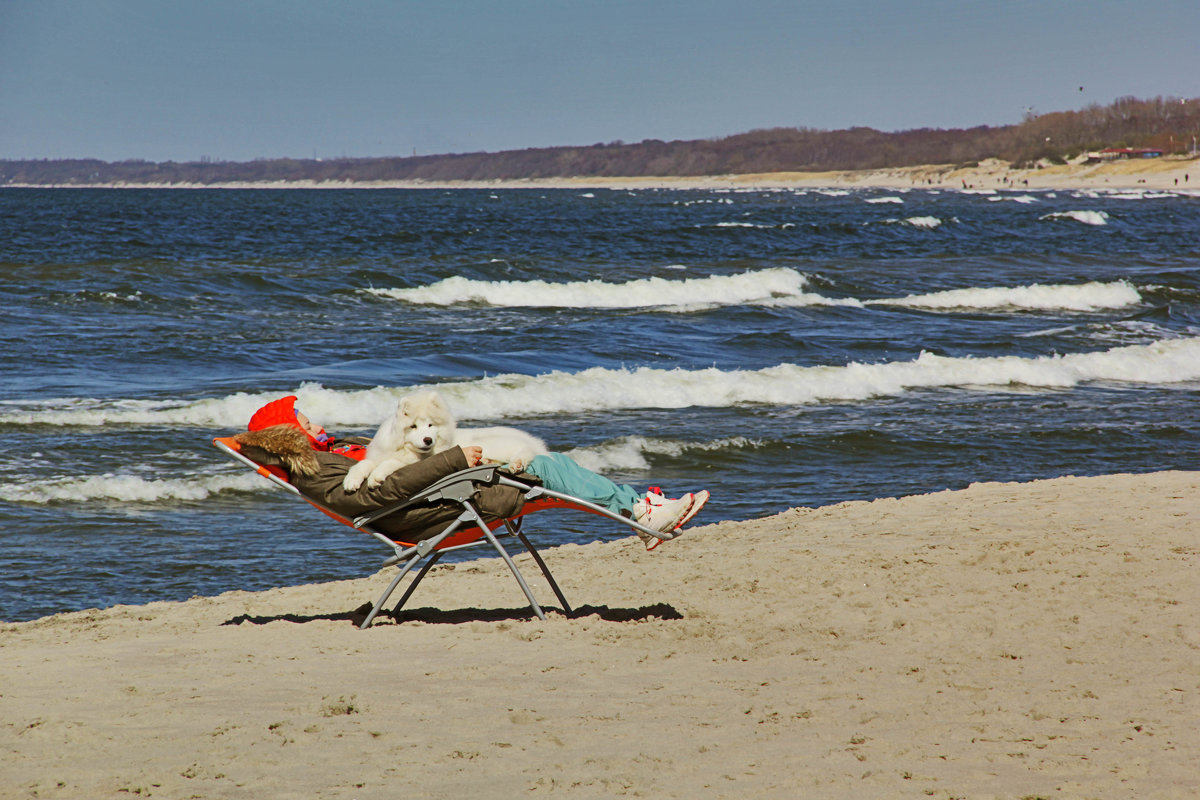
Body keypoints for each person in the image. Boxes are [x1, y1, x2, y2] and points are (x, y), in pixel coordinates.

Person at [236, 396, 708, 550]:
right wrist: (458, 460)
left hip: (433, 499)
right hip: (430, 511)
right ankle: (640, 515)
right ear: (288, 437)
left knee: (549, 466)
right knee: (545, 467)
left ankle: (638, 511)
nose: (316, 424)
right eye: (304, 422)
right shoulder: (315, 468)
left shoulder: (327, 455)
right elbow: (374, 498)